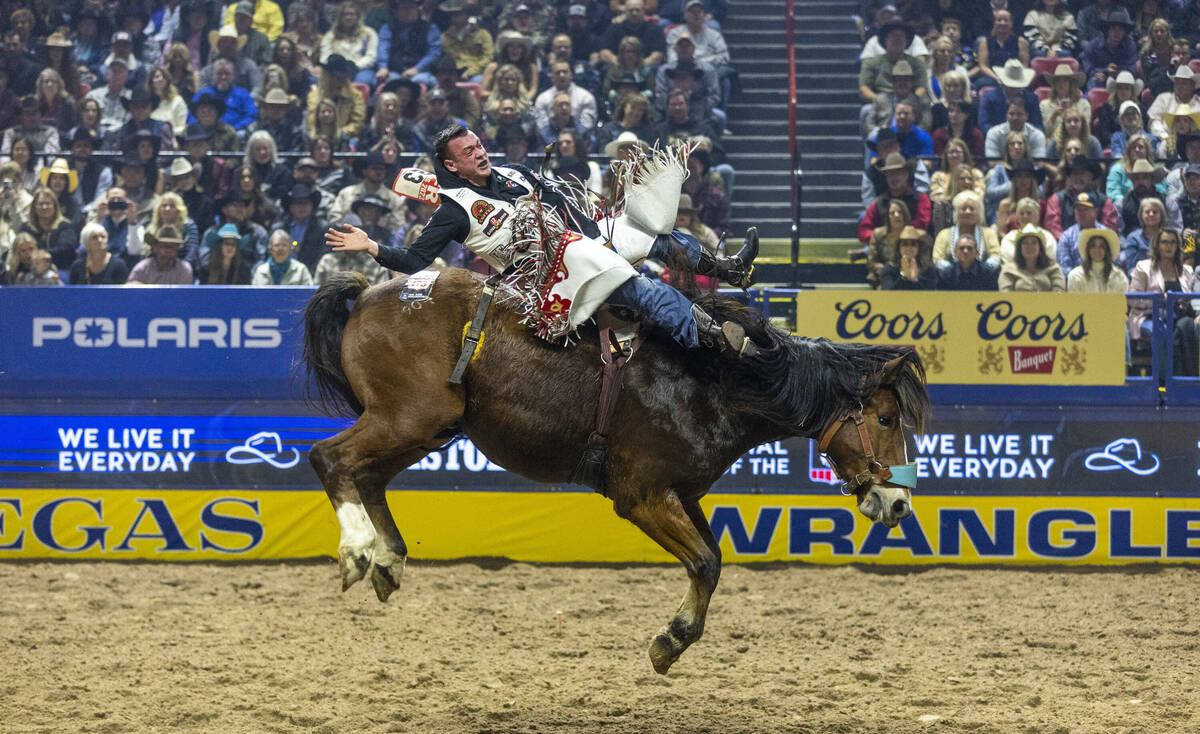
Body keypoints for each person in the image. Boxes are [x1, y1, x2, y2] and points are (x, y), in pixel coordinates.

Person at [325, 125, 761, 354]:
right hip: (544, 277)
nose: (479, 152)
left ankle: (728, 268)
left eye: (478, 144)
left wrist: (597, 237)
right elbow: (415, 258)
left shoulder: (517, 171)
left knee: (651, 233)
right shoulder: (453, 210)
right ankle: (711, 337)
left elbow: (560, 200)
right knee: (641, 289)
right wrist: (371, 247)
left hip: (580, 240)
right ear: (451, 166)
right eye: (468, 151)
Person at [1127, 228, 1199, 375]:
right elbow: (1133, 300)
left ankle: (1186, 380)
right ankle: (1162, 384)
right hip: (1148, 316)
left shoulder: (1186, 271)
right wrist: (1160, 299)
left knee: (1187, 325)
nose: (1169, 246)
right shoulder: (1143, 267)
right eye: (1164, 242)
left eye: (1173, 242)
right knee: (1162, 330)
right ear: (1157, 245)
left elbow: (1191, 301)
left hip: (1178, 317)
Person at [859, 152, 933, 242]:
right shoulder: (878, 202)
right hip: (885, 247)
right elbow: (864, 231)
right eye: (890, 174)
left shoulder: (921, 199)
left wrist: (900, 235)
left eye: (898, 173)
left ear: (906, 174)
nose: (894, 178)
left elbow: (922, 224)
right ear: (886, 177)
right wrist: (881, 236)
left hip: (914, 246)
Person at [375, 0, 441, 88]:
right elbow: (383, 48)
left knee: (420, 80)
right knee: (389, 83)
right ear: (397, 10)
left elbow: (434, 53)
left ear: (417, 8)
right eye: (403, 8)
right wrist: (383, 67)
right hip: (394, 71)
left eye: (411, 8)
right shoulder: (387, 28)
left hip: (422, 72)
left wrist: (417, 68)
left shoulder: (430, 28)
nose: (407, 11)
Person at [933, 190, 999, 267]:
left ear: (979, 213)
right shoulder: (944, 234)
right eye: (964, 209)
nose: (968, 212)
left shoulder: (989, 233)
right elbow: (937, 258)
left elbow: (995, 255)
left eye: (972, 209)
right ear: (956, 212)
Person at [273, 183, 328, 273]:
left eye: (305, 203)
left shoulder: (322, 228)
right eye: (298, 203)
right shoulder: (279, 228)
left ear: (312, 206)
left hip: (312, 274)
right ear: (290, 206)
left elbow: (323, 256)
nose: (302, 207)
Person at [320, 2, 379, 85]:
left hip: (361, 69)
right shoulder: (330, 35)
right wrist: (336, 69)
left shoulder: (369, 33)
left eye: (352, 14)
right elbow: (325, 56)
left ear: (358, 16)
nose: (348, 17)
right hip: (335, 71)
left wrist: (354, 67)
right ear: (340, 17)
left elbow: (371, 56)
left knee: (363, 80)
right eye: (345, 14)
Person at [978, 59, 1043, 133]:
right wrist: (998, 136)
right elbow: (984, 123)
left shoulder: (1032, 99)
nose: (1013, 88)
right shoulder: (989, 98)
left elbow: (1038, 125)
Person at [1079, 8, 1136, 91]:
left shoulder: (1129, 45)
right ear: (1107, 30)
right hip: (1100, 79)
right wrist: (1105, 71)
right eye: (1113, 28)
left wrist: (1118, 72)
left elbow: (1132, 67)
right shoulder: (1093, 45)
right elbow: (1088, 69)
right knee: (1094, 81)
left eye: (1120, 29)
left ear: (1124, 33)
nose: (1117, 32)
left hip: (1122, 78)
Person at [21, 186, 77, 271]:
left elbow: (66, 249)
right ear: (34, 207)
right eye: (40, 204)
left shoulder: (65, 226)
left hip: (61, 269)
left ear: (54, 206)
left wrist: (39, 254)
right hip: (31, 270)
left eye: (48, 203)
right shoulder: (26, 228)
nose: (44, 207)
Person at [999, 225, 1066, 291]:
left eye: (1034, 242)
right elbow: (1005, 294)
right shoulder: (1009, 269)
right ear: (1019, 247)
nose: (1030, 246)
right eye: (1025, 243)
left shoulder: (1053, 267)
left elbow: (1059, 292)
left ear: (1040, 247)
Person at [974, 10, 1029, 90]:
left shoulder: (1021, 41)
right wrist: (997, 78)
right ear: (994, 23)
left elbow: (1024, 64)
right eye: (999, 20)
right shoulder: (984, 42)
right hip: (992, 78)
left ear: (1011, 23)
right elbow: (983, 66)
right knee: (980, 83)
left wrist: (1013, 78)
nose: (1002, 23)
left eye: (1006, 20)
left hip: (1015, 79)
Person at [866, 198, 912, 287]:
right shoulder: (878, 234)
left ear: (906, 215)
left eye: (900, 212)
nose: (897, 215)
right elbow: (872, 262)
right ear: (887, 216)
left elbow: (923, 261)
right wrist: (888, 271)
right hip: (884, 277)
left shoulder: (916, 236)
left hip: (911, 275)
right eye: (892, 213)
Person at [1148, 65, 1200, 143]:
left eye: (1184, 83)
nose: (1179, 86)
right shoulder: (1164, 99)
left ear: (1193, 86)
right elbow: (1154, 121)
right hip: (1166, 141)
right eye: (1177, 82)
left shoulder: (1198, 103)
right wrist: (1166, 138)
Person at [127, 225, 193, 284]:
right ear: (155, 247)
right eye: (165, 246)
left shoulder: (184, 269)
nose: (168, 250)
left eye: (173, 247)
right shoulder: (142, 268)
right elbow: (130, 291)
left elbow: (184, 295)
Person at [1120, 197, 1169, 275]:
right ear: (1141, 215)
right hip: (1141, 280)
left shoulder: (1169, 236)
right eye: (1147, 212)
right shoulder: (1133, 238)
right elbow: (1131, 268)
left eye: (1155, 212)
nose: (1151, 214)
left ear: (1161, 215)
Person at [1068, 228, 1128, 292]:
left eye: (1102, 246)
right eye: (1093, 246)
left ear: (1107, 250)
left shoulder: (1119, 277)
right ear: (1088, 249)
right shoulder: (1075, 276)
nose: (1097, 250)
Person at [879, 225, 937, 290]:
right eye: (905, 244)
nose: (909, 248)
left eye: (913, 244)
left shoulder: (928, 270)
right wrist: (904, 278)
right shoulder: (889, 269)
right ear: (898, 248)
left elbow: (930, 294)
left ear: (919, 248)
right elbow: (888, 294)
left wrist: (915, 280)